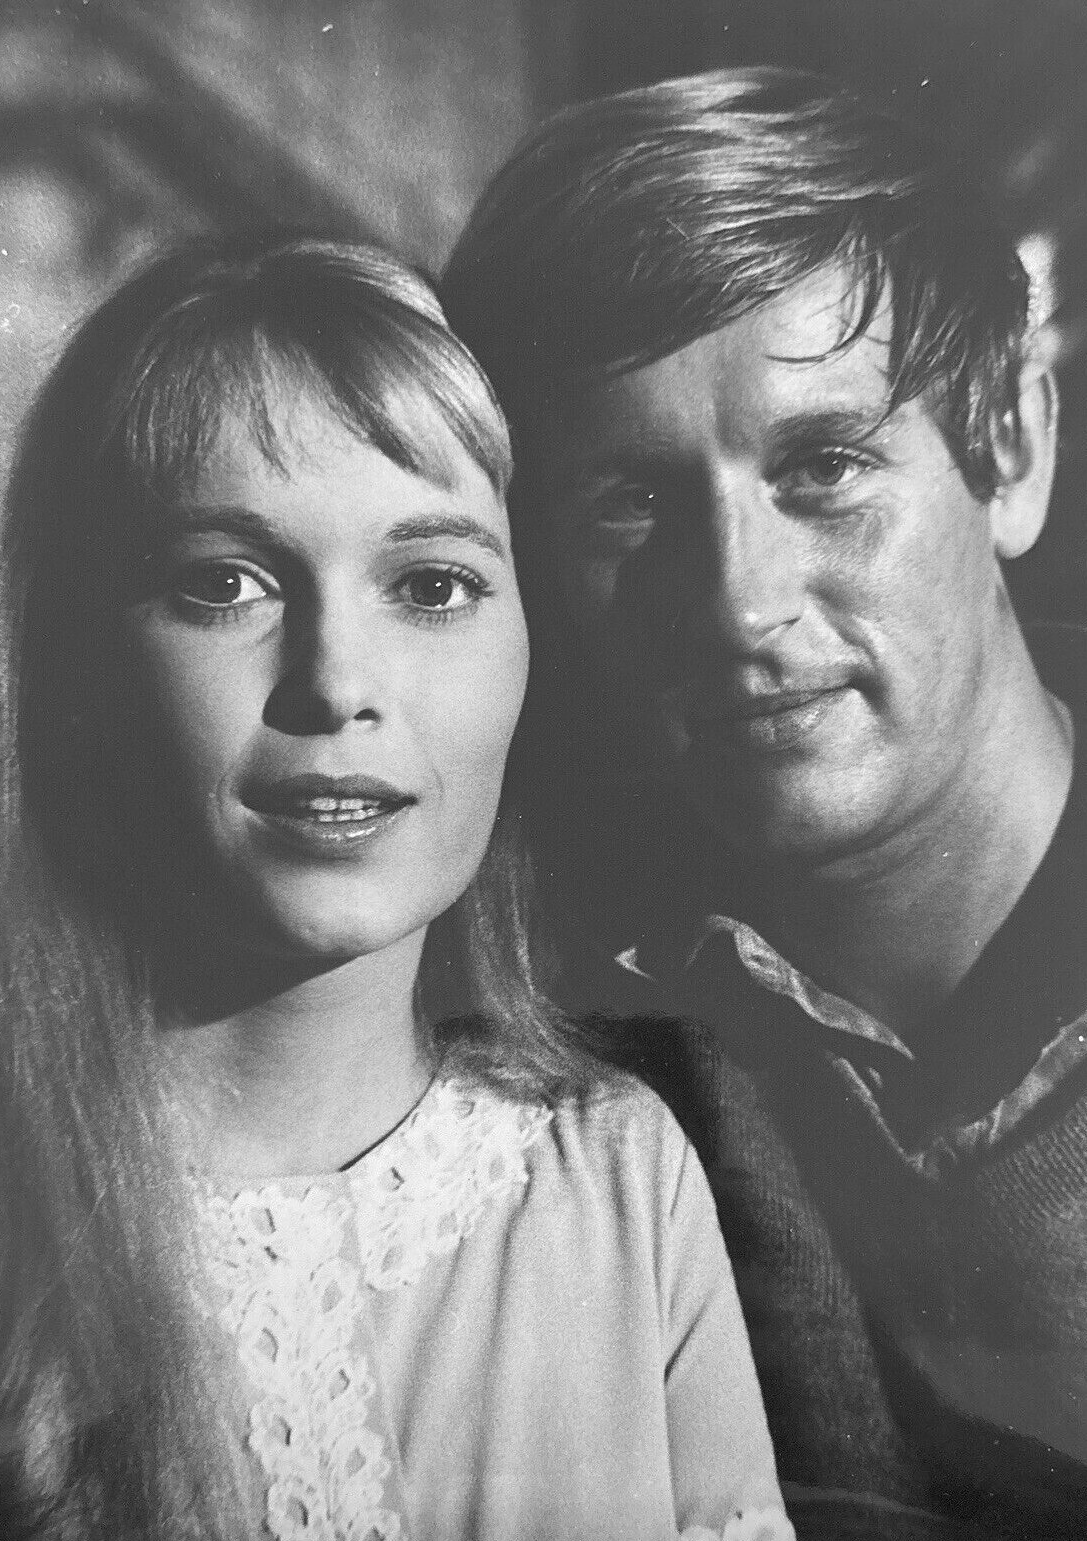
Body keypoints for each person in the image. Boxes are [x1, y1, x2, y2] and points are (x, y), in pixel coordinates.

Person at [0, 236, 792, 1541]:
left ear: (527, 652)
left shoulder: (623, 1184)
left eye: (431, 585)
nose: (336, 682)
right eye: (224, 584)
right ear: (77, 666)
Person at [443, 65, 1087, 1539]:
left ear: (1011, 450)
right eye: (630, 503)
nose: (741, 604)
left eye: (825, 466)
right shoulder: (547, 1012)